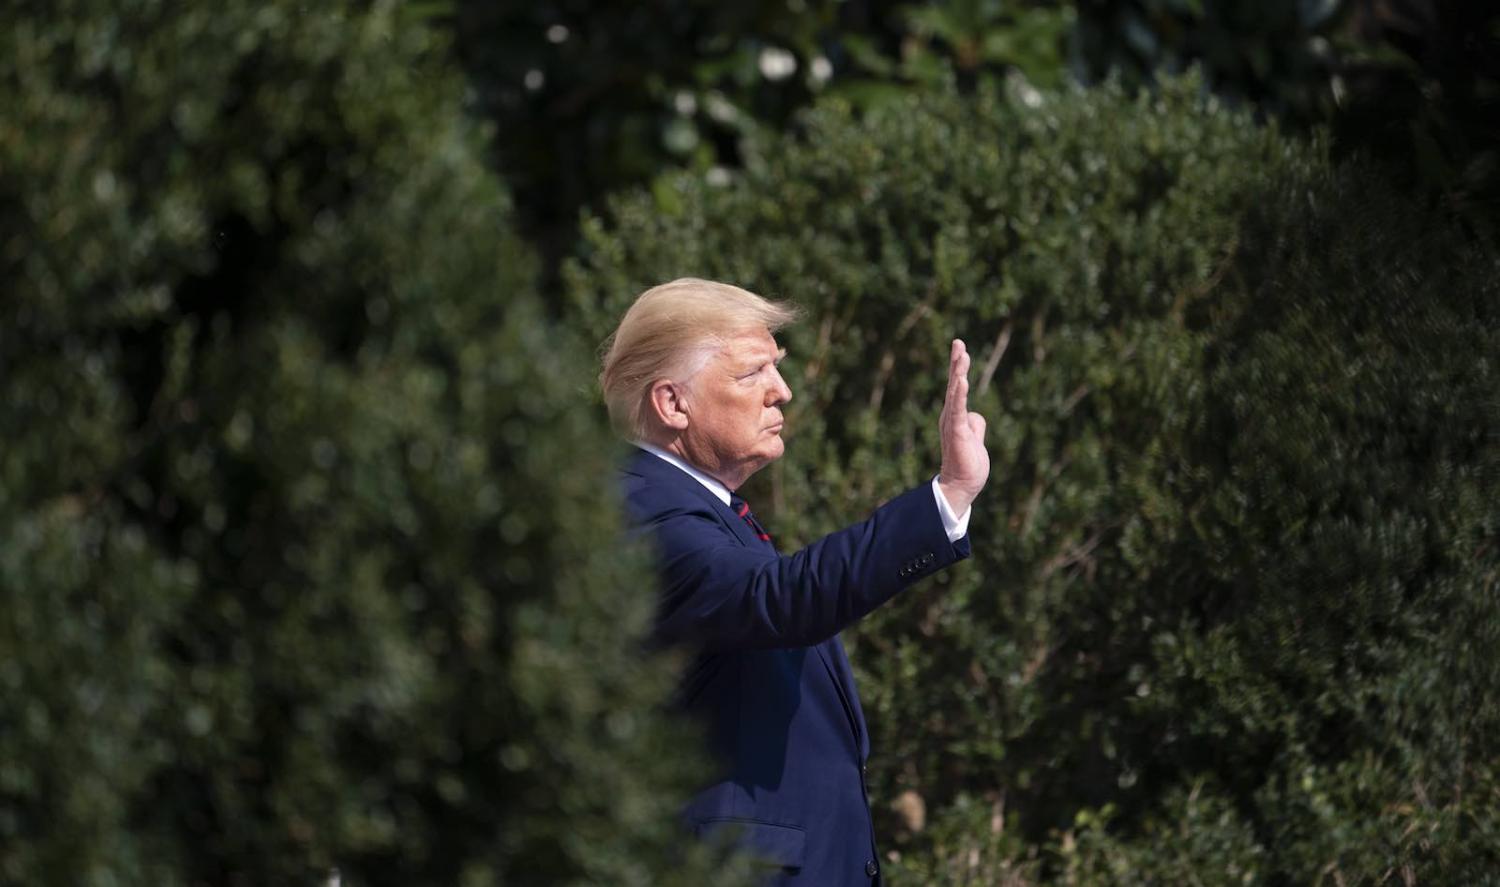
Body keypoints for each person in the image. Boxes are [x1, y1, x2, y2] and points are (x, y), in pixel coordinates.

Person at [599, 278, 989, 885]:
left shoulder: (703, 510)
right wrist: (946, 499)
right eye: (753, 373)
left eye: (776, 368)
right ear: (673, 404)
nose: (782, 391)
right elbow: (779, 599)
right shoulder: (648, 511)